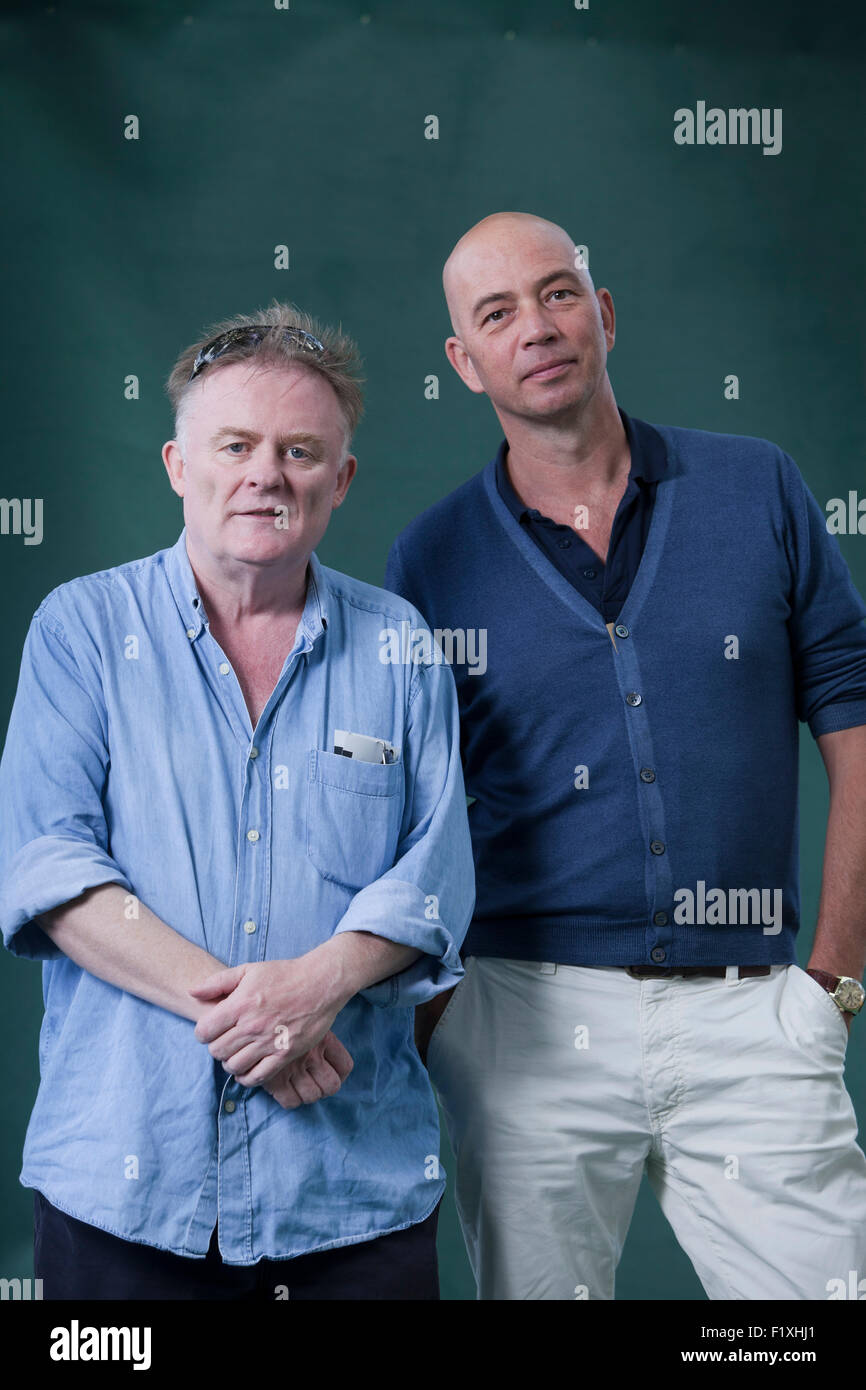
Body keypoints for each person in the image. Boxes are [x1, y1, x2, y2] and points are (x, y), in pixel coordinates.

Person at [384, 211, 866, 1300]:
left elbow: (855, 720)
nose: (536, 328)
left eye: (557, 293)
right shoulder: (432, 556)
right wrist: (448, 1027)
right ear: (463, 362)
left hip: (754, 1008)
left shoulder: (758, 488)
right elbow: (409, 810)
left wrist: (832, 980)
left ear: (601, 312)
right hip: (526, 1024)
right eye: (496, 313)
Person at [0, 303, 474, 1300]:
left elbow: (434, 880)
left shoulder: (399, 645)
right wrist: (263, 1013)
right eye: (236, 444)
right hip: (123, 1185)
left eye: (299, 451)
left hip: (351, 1191)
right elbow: (51, 868)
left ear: (338, 480)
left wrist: (318, 986)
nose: (265, 473)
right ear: (180, 463)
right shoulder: (80, 630)